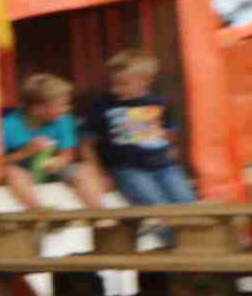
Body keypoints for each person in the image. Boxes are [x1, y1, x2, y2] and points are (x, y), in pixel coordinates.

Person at [77, 48, 198, 207]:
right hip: (128, 169)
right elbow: (86, 144)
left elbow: (170, 131)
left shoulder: (159, 103)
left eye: (123, 84)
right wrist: (99, 173)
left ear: (145, 81)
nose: (115, 89)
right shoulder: (103, 106)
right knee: (155, 205)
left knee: (188, 203)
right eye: (113, 83)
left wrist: (171, 149)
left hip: (164, 167)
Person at [0, 72, 108, 208]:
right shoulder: (8, 125)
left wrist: (59, 162)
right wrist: (25, 152)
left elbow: (67, 155)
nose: (67, 109)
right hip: (25, 173)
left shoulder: (64, 120)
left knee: (85, 170)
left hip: (55, 172)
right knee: (12, 173)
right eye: (61, 105)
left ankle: (98, 212)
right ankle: (39, 212)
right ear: (38, 109)